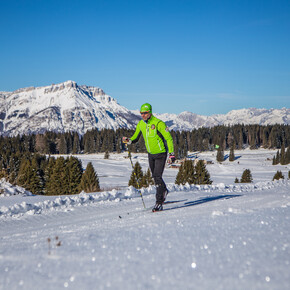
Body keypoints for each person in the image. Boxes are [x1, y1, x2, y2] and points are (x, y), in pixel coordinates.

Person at [123, 103, 175, 212]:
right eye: (141, 113)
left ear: (150, 112)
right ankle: (164, 190)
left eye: (145, 113)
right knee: (155, 177)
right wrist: (129, 140)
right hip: (151, 154)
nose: (143, 115)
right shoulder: (141, 124)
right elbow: (135, 138)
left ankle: (159, 202)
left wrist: (171, 153)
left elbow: (168, 138)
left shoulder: (158, 123)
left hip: (161, 153)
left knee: (157, 176)